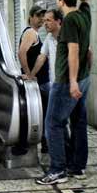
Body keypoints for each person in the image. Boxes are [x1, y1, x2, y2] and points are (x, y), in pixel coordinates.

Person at [37, 0, 92, 185]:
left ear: (61, 1)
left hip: (66, 81)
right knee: (78, 121)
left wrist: (72, 82)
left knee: (52, 124)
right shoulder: (84, 14)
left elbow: (74, 51)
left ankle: (58, 169)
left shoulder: (69, 21)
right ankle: (77, 167)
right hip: (85, 78)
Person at [29, 9, 63, 147]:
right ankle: (62, 155)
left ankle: (61, 161)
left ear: (58, 21)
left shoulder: (69, 36)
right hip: (55, 85)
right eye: (44, 21)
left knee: (57, 123)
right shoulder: (49, 38)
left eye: (48, 20)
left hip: (68, 86)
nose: (45, 24)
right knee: (55, 123)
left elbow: (88, 54)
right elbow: (41, 57)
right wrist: (31, 74)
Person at [19, 4, 48, 152]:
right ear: (31, 17)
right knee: (46, 115)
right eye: (38, 16)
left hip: (41, 82)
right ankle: (46, 144)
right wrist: (29, 74)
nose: (41, 19)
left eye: (43, 16)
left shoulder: (34, 33)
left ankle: (45, 144)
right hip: (39, 83)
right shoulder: (31, 32)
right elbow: (21, 53)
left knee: (43, 114)